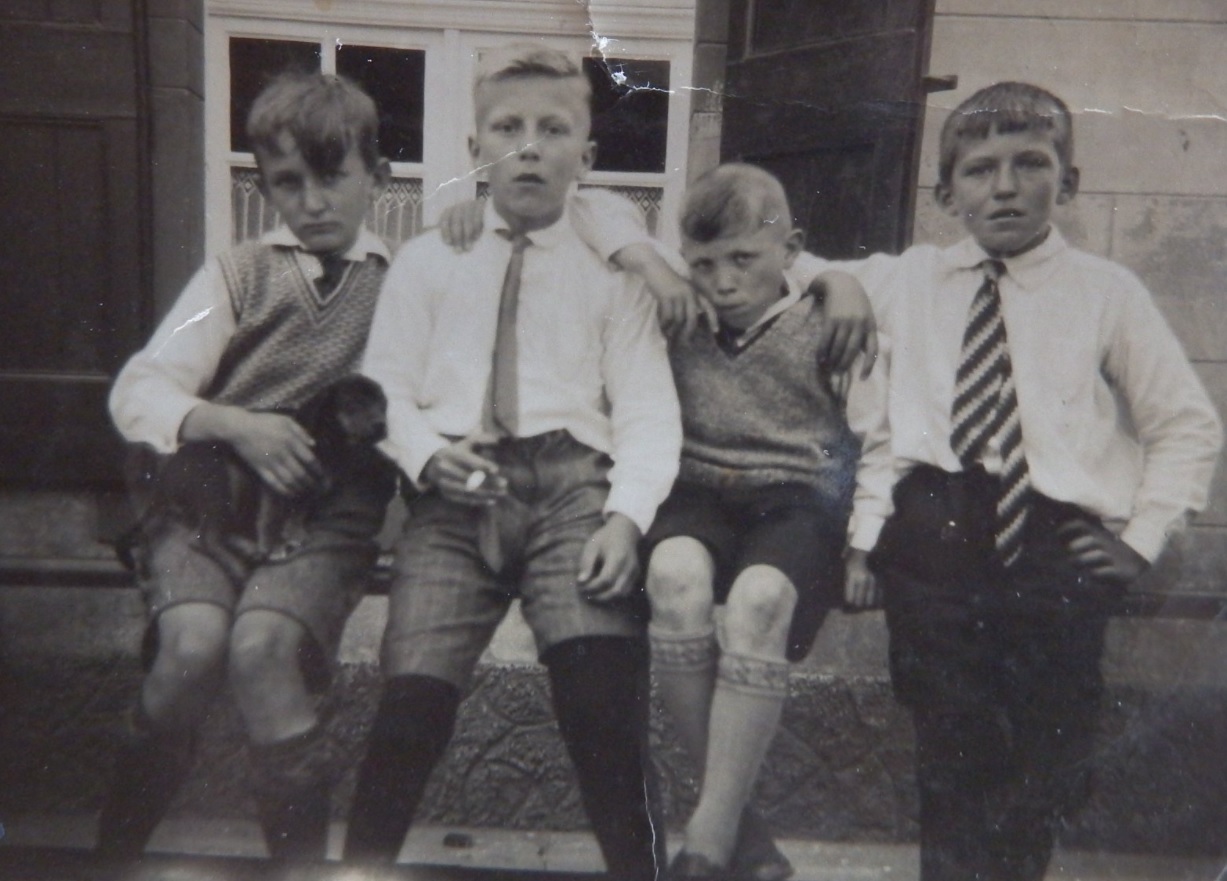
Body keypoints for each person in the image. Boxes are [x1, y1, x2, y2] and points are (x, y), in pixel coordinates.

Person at [843, 82, 1223, 881]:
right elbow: (782, 268)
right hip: (935, 533)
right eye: (979, 170)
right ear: (945, 193)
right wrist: (838, 286)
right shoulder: (907, 279)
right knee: (951, 742)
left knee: (1047, 748)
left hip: (1054, 541)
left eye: (1030, 164)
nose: (1005, 186)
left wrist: (1140, 539)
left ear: (1068, 182)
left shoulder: (1104, 291)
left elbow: (1184, 422)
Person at [344, 45, 681, 881]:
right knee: (410, 705)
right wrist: (428, 457)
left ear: (586, 158)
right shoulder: (429, 260)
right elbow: (383, 388)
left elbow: (646, 407)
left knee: (601, 705)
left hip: (574, 493)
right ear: (474, 151)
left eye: (552, 130)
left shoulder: (612, 274)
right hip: (454, 496)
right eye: (506, 128)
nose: (528, 147)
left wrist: (625, 519)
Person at [99, 70, 397, 863]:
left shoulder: (402, 288)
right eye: (288, 182)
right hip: (209, 503)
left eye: (333, 177)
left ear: (377, 175)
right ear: (264, 187)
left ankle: (297, 869)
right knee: (192, 647)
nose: (312, 202)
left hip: (322, 515)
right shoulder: (236, 273)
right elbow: (139, 389)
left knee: (262, 649)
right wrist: (233, 423)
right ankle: (112, 857)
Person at [640, 163, 891, 881]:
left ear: (792, 250)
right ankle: (737, 833)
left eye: (743, 259)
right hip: (698, 492)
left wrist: (864, 543)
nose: (722, 282)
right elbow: (596, 217)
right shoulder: (678, 315)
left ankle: (710, 838)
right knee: (672, 575)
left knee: (759, 599)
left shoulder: (832, 322)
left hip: (796, 497)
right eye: (703, 264)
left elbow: (878, 440)